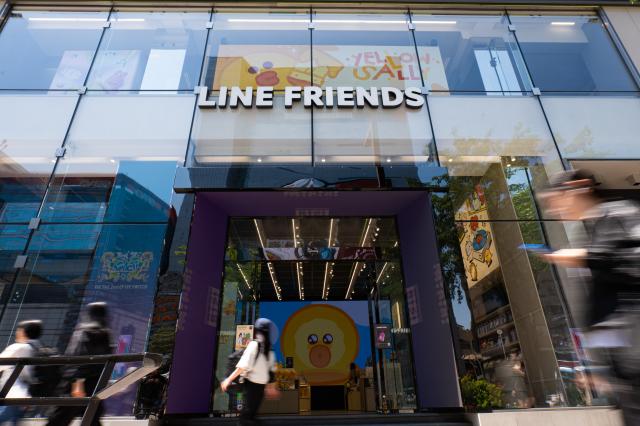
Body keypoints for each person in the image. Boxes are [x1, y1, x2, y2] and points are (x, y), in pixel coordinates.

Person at [540, 169, 640, 425]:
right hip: (624, 360)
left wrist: (582, 256)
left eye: (556, 199)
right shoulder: (593, 227)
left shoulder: (620, 214)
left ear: (581, 187)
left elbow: (625, 262)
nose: (553, 210)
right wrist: (600, 368)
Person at [47, 302, 114, 426]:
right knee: (92, 419)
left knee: (59, 418)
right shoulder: (105, 333)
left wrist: (77, 382)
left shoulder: (84, 330)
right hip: (95, 384)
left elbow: (79, 357)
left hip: (77, 384)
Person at [221, 318, 279, 425]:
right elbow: (271, 372)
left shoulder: (255, 345)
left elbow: (243, 366)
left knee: (247, 417)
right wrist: (271, 388)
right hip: (258, 389)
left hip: (252, 388)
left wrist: (228, 379)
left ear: (257, 331)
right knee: (250, 416)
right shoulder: (269, 349)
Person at [0, 320, 43, 425]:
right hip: (22, 397)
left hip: (11, 395)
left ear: (23, 331)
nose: (17, 332)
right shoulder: (37, 348)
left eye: (18, 330)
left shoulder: (20, 347)